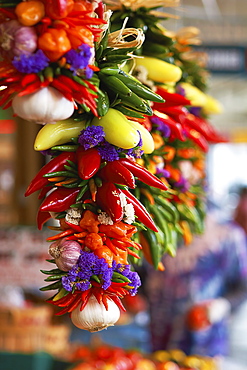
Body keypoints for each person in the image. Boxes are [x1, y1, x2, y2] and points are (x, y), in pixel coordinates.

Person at [141, 206, 247, 357]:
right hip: (157, 339)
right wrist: (136, 297)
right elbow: (142, 276)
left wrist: (222, 305)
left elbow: (243, 285)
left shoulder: (227, 233)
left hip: (204, 343)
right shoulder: (152, 227)